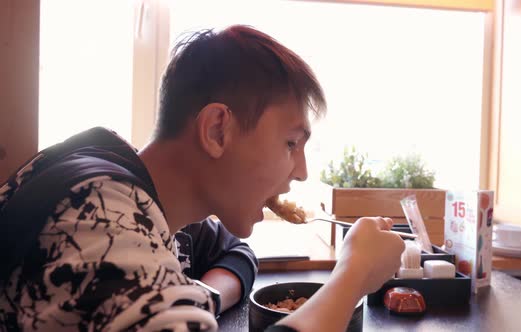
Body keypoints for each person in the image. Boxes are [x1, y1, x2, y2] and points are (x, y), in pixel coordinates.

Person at [0, 25, 405, 331]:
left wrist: (200, 298)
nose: (300, 172)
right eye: (290, 143)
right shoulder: (100, 222)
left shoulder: (112, 176)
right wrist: (352, 276)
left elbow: (233, 249)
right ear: (217, 130)